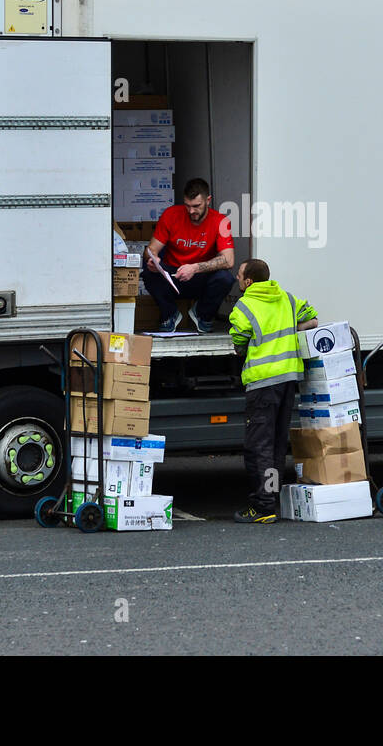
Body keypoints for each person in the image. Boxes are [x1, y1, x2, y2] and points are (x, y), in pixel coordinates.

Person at [228, 258, 319, 524]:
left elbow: (239, 340)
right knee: (277, 445)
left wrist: (242, 348)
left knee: (259, 447)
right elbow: (312, 320)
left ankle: (263, 506)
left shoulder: (243, 306)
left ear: (249, 282)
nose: (237, 277)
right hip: (288, 380)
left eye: (240, 274)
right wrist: (292, 331)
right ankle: (272, 499)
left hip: (262, 383)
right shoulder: (288, 299)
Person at [143, 178, 236, 332]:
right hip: (172, 275)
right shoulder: (171, 215)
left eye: (196, 206)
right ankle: (170, 314)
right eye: (187, 205)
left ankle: (202, 315)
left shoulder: (221, 221)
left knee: (225, 278)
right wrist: (153, 258)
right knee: (148, 272)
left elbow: (229, 260)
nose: (191, 211)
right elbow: (150, 249)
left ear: (208, 200)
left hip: (201, 277)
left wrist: (194, 268)